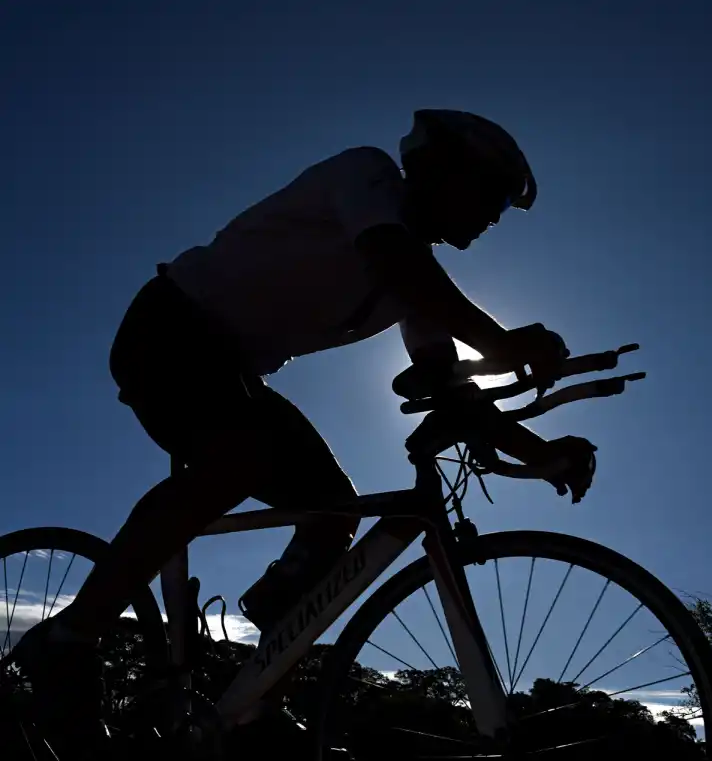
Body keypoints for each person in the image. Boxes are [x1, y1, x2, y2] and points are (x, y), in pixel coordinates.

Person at [15, 109, 596, 729]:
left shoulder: (414, 281)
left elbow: (450, 388)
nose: (492, 219)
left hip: (233, 370)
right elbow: (399, 263)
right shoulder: (367, 177)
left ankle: (256, 692)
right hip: (170, 328)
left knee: (335, 512)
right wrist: (504, 344)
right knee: (239, 458)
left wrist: (537, 452)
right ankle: (68, 637)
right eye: (490, 197)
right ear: (442, 170)